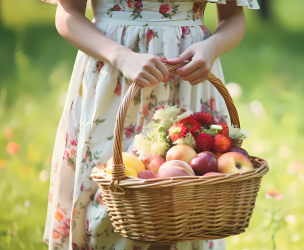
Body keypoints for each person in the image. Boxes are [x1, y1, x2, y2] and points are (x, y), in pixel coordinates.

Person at [41, 0, 259, 249]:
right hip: (114, 75)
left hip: (189, 78)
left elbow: (233, 18)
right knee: (107, 195)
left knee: (184, 204)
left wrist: (211, 48)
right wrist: (121, 57)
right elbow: (68, 14)